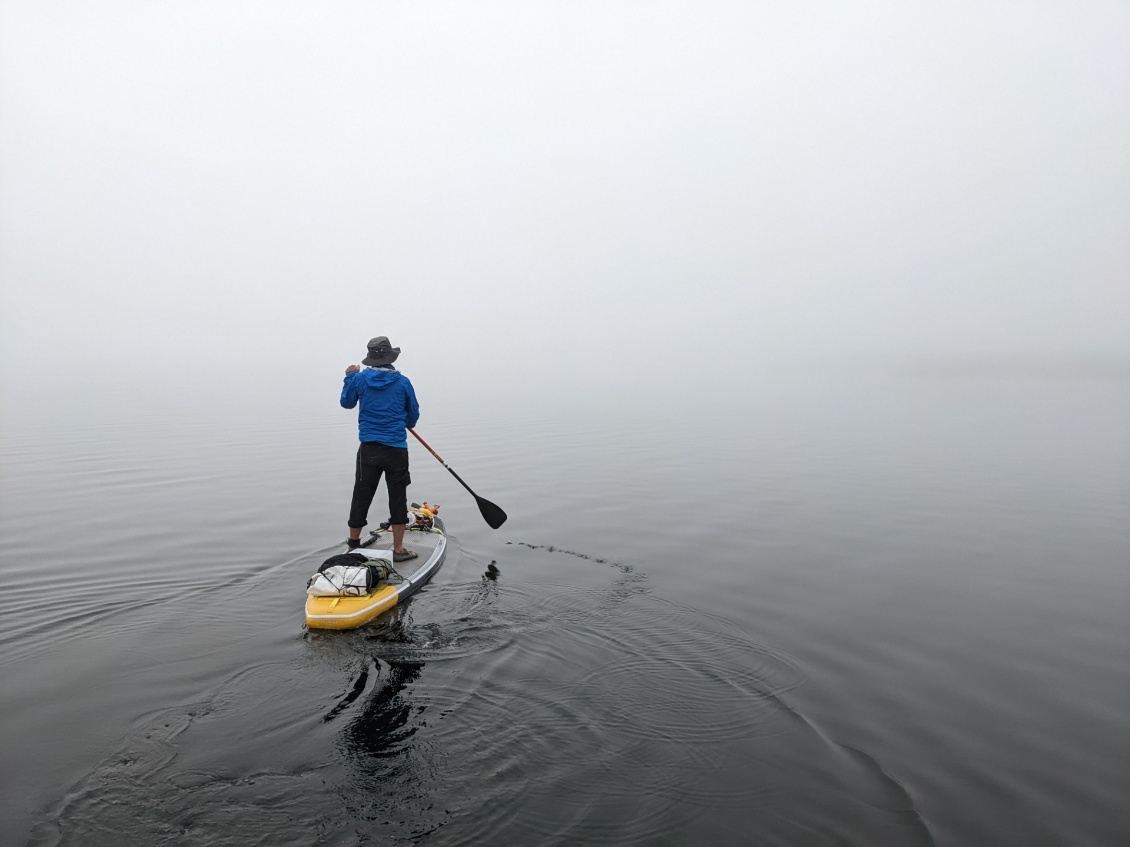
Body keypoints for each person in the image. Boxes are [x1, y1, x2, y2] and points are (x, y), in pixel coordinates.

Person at [340, 336, 420, 562]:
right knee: (398, 498)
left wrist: (349, 376)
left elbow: (347, 403)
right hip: (395, 449)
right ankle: (398, 549)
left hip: (368, 449)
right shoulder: (403, 382)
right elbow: (413, 416)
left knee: (361, 494)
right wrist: (403, 419)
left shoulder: (359, 379)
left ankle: (353, 546)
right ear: (390, 358)